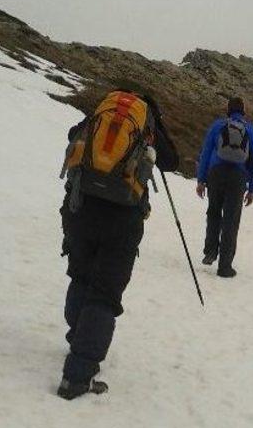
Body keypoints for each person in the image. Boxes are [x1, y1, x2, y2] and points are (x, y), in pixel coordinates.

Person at [57, 84, 179, 400]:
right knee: (105, 294)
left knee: (81, 276)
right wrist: (155, 128)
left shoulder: (102, 111)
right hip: (122, 218)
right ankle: (78, 376)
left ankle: (78, 337)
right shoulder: (146, 120)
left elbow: (73, 136)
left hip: (80, 208)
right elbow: (172, 161)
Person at [197, 97, 253, 278]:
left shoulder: (218, 126)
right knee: (231, 221)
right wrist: (252, 188)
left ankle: (210, 251)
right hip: (238, 177)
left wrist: (201, 180)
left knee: (214, 212)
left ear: (228, 110)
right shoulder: (251, 130)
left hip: (216, 173)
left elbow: (205, 152)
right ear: (243, 112)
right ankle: (225, 267)